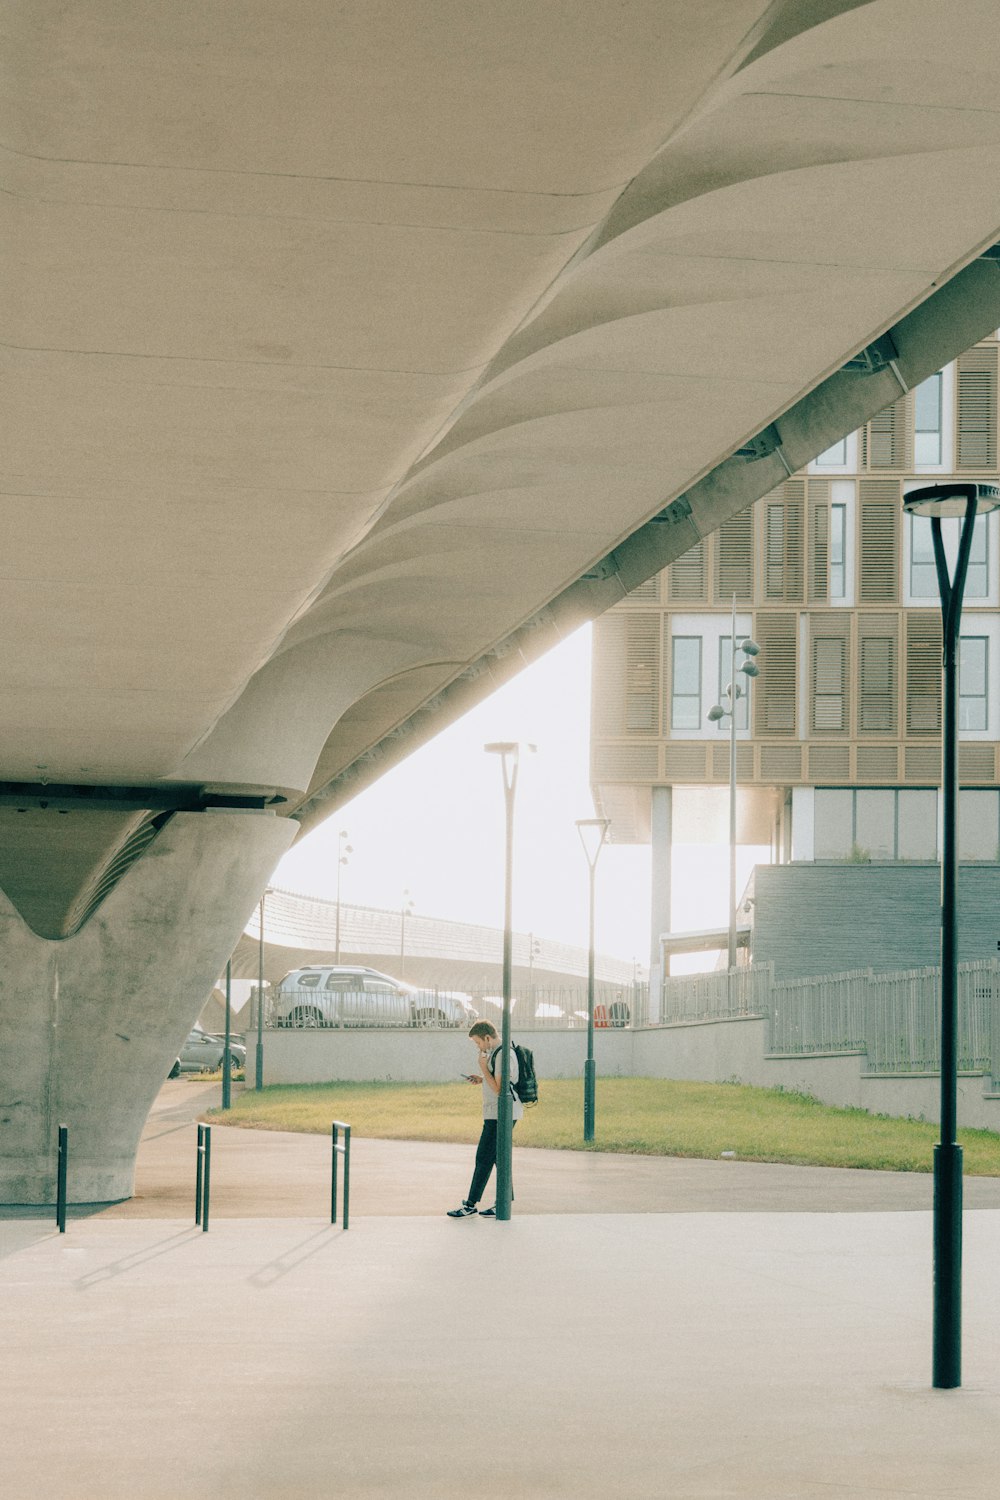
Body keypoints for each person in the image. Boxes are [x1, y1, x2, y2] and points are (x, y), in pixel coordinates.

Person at [447, 1020, 522, 1218]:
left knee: (483, 1158)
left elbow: (500, 1089)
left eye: (478, 1043)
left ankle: (471, 1204)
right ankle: (504, 1201)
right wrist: (481, 1078)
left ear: (487, 1038)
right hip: (496, 1114)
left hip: (501, 1115)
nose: (478, 1047)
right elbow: (497, 1082)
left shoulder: (503, 1054)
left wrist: (483, 1068)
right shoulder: (497, 1053)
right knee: (497, 1157)